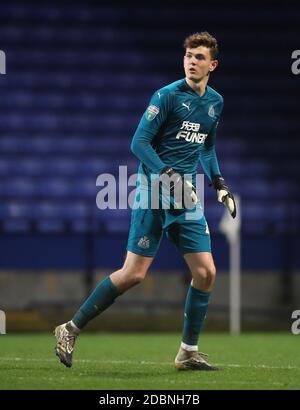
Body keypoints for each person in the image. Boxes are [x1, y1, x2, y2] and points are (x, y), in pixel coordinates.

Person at [54, 31, 236, 371]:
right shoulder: (166, 96)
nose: (191, 62)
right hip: (155, 191)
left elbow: (206, 146)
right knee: (134, 274)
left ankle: (187, 352)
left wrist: (219, 182)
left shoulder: (215, 102)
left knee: (206, 272)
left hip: (186, 196)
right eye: (188, 55)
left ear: (213, 64)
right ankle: (70, 328)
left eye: (199, 57)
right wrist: (169, 176)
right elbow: (139, 143)